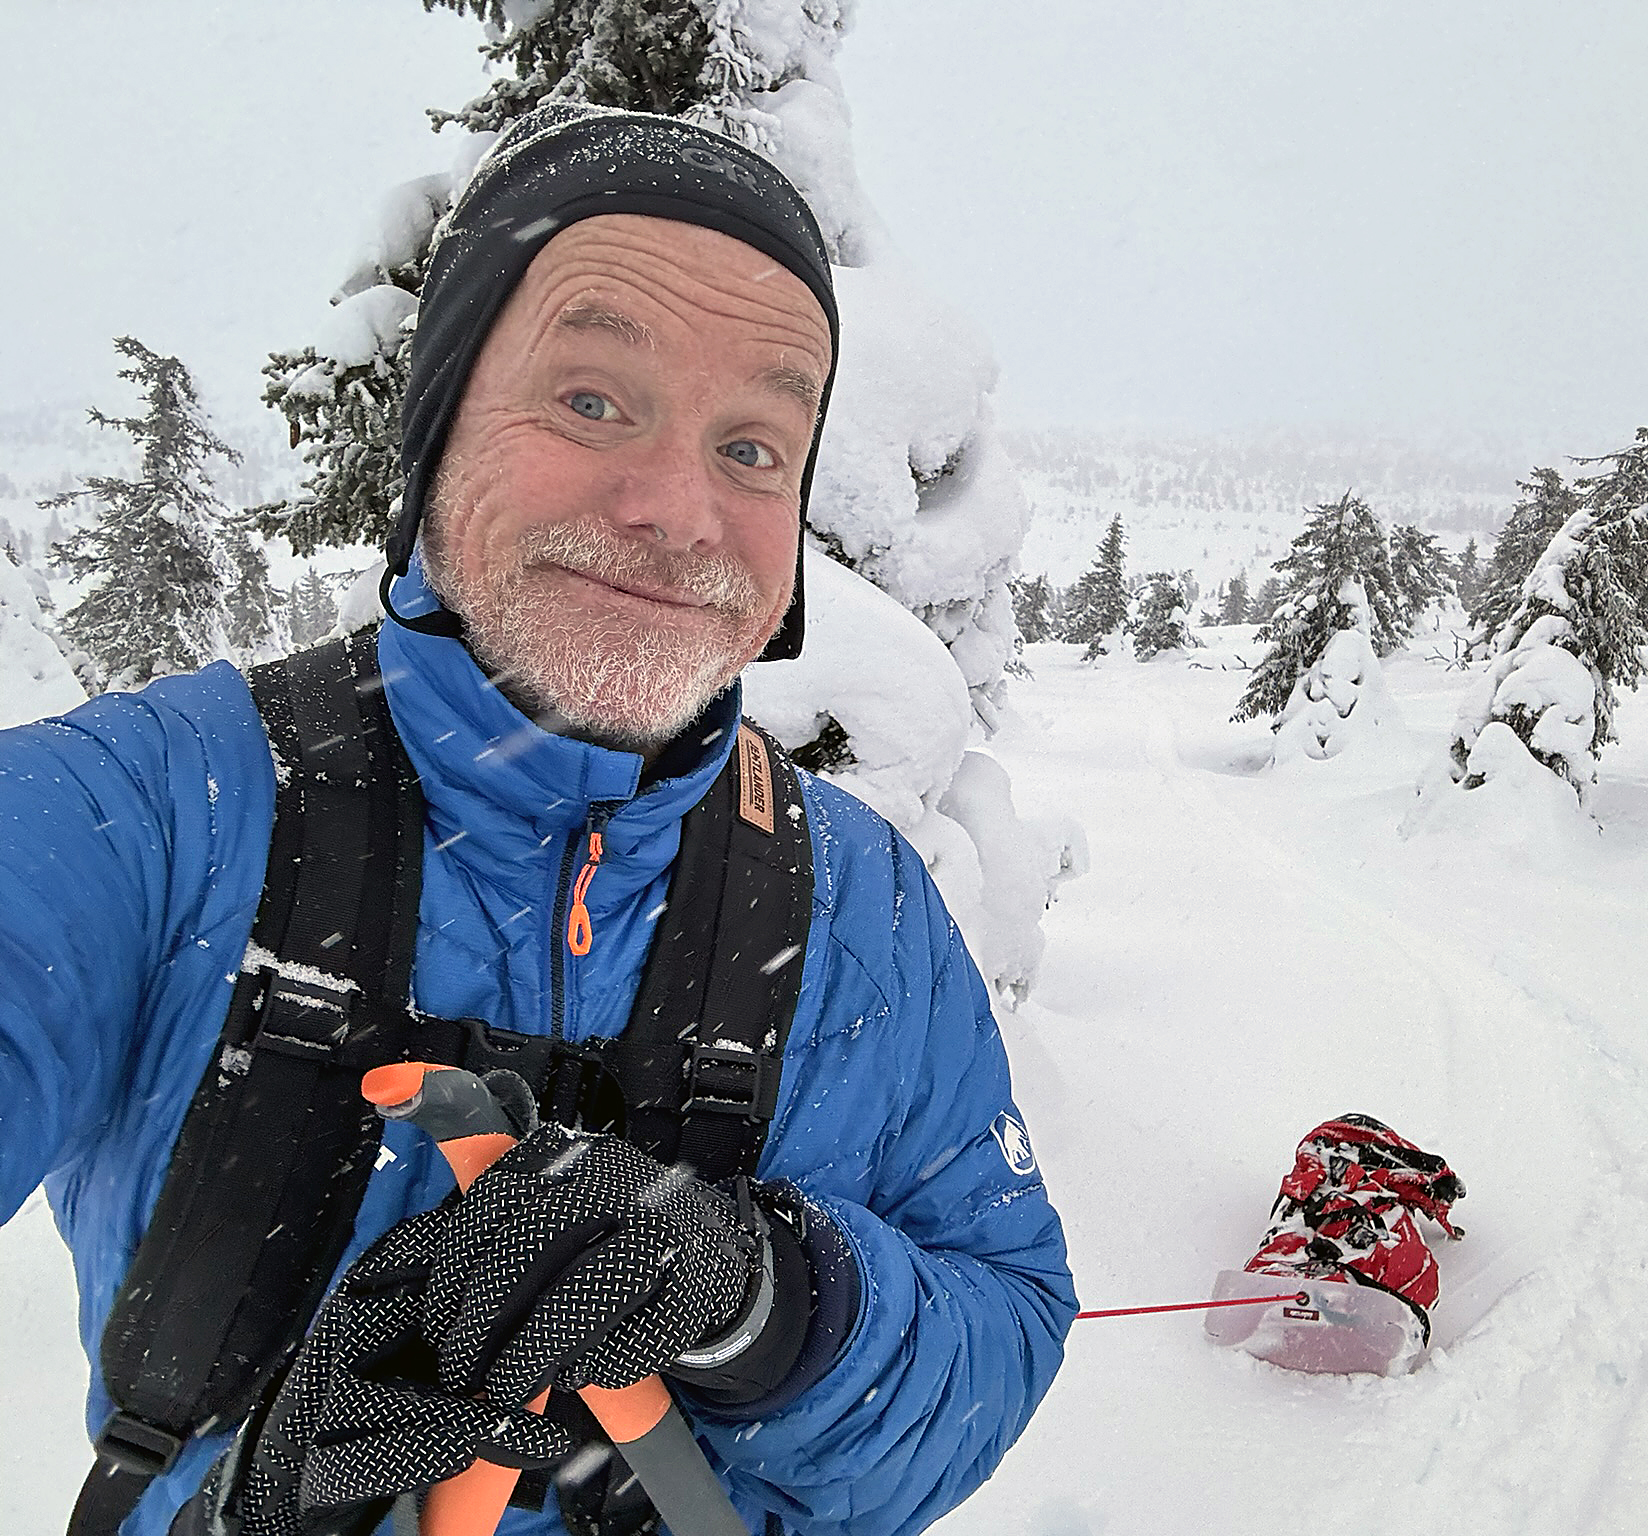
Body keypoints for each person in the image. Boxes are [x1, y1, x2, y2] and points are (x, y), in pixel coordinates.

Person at [0, 104, 1074, 1536]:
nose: (680, 510)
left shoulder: (860, 897)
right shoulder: (153, 811)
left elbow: (1007, 1315)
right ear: (439, 422)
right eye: (593, 400)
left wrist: (771, 1302)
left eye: (754, 446)